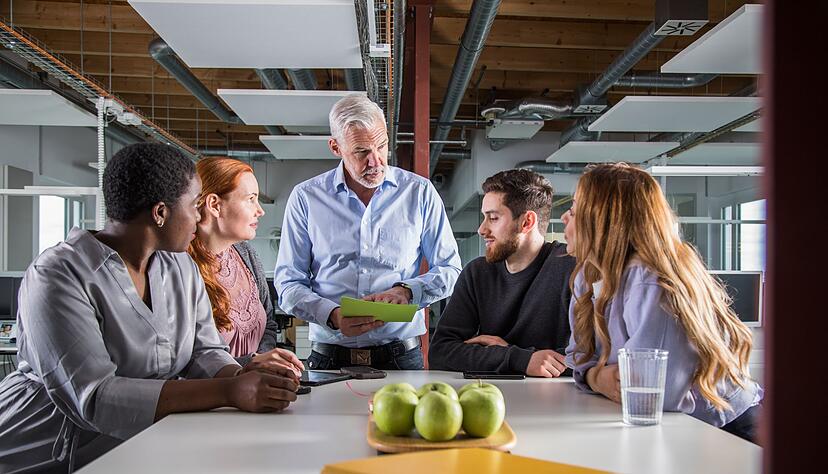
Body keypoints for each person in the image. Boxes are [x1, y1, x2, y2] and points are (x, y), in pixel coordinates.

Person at [0, 143, 298, 473]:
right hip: (36, 454)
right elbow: (97, 397)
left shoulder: (180, 265)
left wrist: (243, 376)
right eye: (195, 206)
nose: (201, 218)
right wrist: (229, 390)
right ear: (160, 213)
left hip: (130, 451)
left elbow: (205, 351)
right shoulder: (58, 275)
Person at [563, 163, 762, 442]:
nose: (564, 218)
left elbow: (653, 393)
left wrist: (599, 376)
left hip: (726, 429)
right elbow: (576, 358)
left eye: (573, 211)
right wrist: (599, 377)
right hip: (674, 429)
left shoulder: (651, 282)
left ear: (603, 220)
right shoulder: (588, 275)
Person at [274, 93, 461, 370]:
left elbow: (450, 268)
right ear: (335, 147)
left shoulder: (419, 193)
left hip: (401, 358)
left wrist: (408, 292)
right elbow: (288, 284)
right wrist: (333, 315)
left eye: (382, 146)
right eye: (361, 151)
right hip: (329, 357)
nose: (375, 162)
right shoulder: (306, 198)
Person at [429, 169, 576, 376]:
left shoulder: (571, 268)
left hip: (559, 401)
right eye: (484, 217)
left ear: (527, 222)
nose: (481, 229)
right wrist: (520, 359)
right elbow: (440, 352)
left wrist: (505, 353)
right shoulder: (477, 273)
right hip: (489, 395)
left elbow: (585, 359)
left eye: (493, 218)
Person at [188, 157, 304, 378]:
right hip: (209, 399)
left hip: (255, 393)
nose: (260, 210)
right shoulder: (180, 267)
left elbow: (269, 323)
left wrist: (265, 363)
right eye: (251, 199)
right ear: (214, 205)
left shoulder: (246, 254)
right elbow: (186, 360)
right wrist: (249, 365)